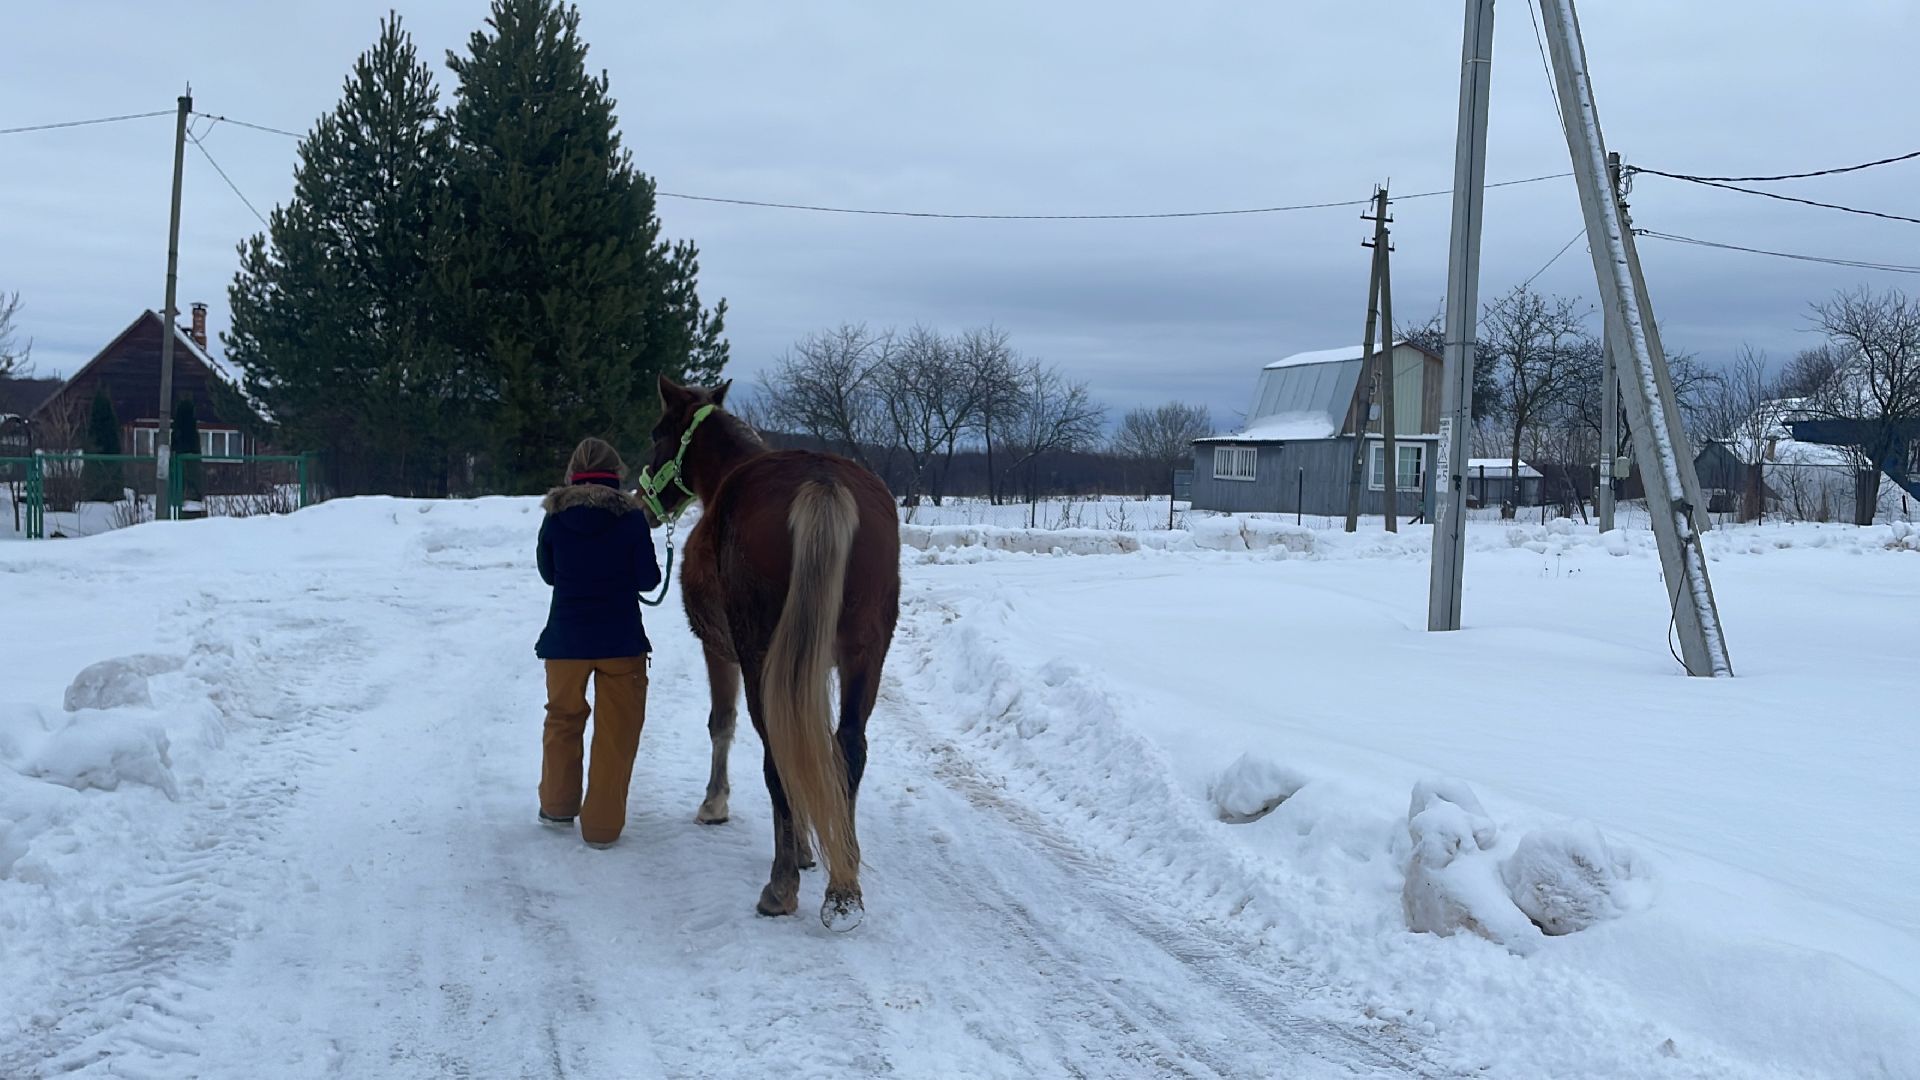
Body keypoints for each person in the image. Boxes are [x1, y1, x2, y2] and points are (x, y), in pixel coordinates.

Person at [534, 437, 661, 848]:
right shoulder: (632, 518)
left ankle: (556, 806)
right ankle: (602, 828)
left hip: (565, 641)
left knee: (562, 720)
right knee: (616, 733)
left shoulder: (555, 516)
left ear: (573, 472)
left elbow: (549, 573)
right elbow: (648, 580)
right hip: (620, 642)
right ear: (616, 472)